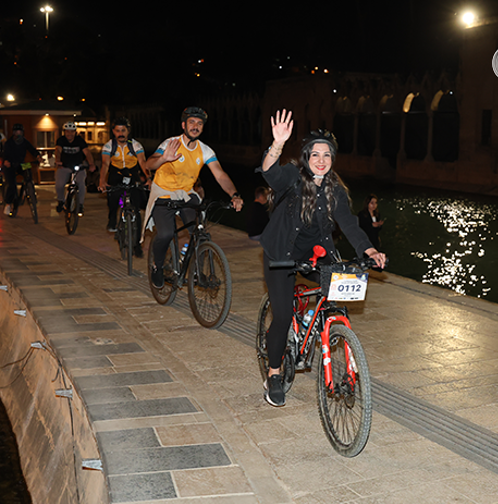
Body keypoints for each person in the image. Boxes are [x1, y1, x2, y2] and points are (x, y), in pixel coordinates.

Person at [257, 110, 386, 407]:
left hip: (316, 253)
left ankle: (341, 354)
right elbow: (269, 173)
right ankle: (274, 373)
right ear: (306, 156)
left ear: (332, 159)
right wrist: (277, 145)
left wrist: (369, 251)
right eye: (315, 154)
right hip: (281, 255)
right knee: (283, 315)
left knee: (338, 296)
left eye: (326, 155)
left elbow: (349, 224)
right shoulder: (292, 176)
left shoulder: (335, 189)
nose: (321, 160)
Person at [143, 107, 243, 287]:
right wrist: (164, 158)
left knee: (200, 234)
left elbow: (220, 175)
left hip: (186, 194)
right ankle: (157, 266)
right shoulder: (171, 143)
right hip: (163, 193)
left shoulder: (205, 151)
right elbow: (149, 163)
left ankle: (197, 272)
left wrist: (234, 194)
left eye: (199, 123)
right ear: (183, 125)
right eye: (191, 122)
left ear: (203, 128)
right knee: (165, 233)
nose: (195, 126)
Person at [98, 118, 149, 254]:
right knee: (113, 196)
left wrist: (149, 178)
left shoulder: (135, 145)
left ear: (128, 131)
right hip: (116, 173)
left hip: (132, 173)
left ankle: (137, 245)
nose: (121, 134)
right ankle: (112, 220)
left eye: (123, 131)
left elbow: (143, 161)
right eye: (117, 131)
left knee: (136, 209)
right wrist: (102, 181)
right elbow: (105, 164)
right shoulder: (109, 146)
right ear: (113, 132)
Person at [55, 122, 96, 215]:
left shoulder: (80, 141)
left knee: (81, 184)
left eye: (72, 132)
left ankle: (80, 204)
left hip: (78, 166)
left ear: (75, 132)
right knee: (59, 184)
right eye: (67, 132)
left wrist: (91, 164)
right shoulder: (61, 140)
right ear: (64, 132)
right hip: (64, 165)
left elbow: (87, 153)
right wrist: (58, 160)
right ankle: (61, 201)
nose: (69, 134)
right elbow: (58, 150)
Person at [1, 123, 39, 216]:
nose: (18, 134)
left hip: (21, 164)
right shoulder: (9, 143)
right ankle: (8, 204)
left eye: (20, 132)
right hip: (10, 165)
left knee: (28, 172)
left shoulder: (24, 141)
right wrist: (6, 161)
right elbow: (5, 154)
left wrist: (38, 156)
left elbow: (32, 150)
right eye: (16, 132)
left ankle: (29, 190)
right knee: (11, 185)